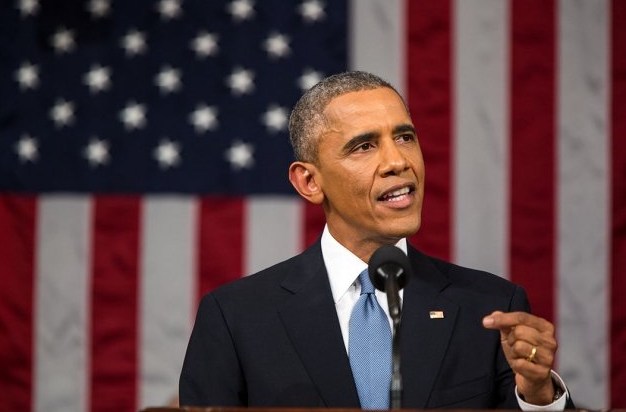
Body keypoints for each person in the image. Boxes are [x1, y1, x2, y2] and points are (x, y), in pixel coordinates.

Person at [179, 71, 572, 409]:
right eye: (364, 146)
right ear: (310, 181)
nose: (398, 161)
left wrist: (537, 395)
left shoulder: (488, 308)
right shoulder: (236, 318)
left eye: (404, 137)